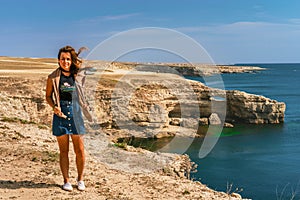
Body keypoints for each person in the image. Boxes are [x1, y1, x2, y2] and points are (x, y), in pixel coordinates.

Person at [46, 45, 92, 191]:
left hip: (76, 114)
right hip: (60, 116)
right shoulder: (52, 77)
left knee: (79, 150)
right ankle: (66, 181)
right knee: (63, 151)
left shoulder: (78, 76)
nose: (65, 62)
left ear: (71, 60)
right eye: (62, 59)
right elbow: (48, 96)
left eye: (67, 59)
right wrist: (54, 107)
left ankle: (80, 179)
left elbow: (83, 93)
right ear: (58, 60)